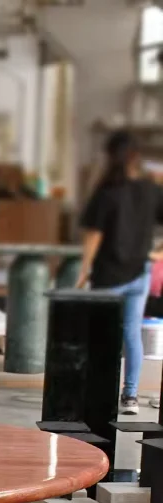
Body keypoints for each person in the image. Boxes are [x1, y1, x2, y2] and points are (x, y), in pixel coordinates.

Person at [78, 129, 163, 415]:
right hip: (139, 274)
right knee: (131, 334)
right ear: (136, 156)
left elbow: (94, 236)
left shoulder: (106, 191)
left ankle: (99, 395)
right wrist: (158, 253)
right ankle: (130, 397)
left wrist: (83, 271)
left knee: (102, 335)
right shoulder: (151, 190)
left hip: (109, 276)